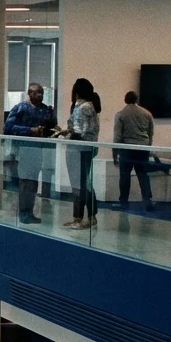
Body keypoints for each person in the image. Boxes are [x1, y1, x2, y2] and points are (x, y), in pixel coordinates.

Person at [5, 83, 58, 224]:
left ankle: (30, 211)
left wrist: (54, 129)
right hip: (23, 150)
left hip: (39, 149)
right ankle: (23, 212)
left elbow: (51, 126)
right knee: (25, 181)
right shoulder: (20, 108)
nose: (40, 95)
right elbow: (8, 127)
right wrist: (30, 130)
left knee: (33, 182)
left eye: (41, 93)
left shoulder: (46, 110)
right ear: (30, 94)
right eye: (36, 93)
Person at [63, 78, 102, 229]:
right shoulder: (91, 106)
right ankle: (85, 216)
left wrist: (66, 134)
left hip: (78, 150)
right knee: (83, 183)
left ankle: (81, 218)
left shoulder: (82, 107)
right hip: (86, 149)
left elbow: (78, 132)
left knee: (79, 184)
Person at [114, 91, 158, 211]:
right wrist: (148, 148)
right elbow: (150, 133)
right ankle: (147, 200)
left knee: (125, 176)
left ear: (125, 99)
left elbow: (117, 137)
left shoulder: (121, 114)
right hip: (142, 148)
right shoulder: (147, 113)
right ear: (137, 99)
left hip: (127, 149)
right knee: (143, 174)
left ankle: (123, 201)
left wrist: (115, 154)